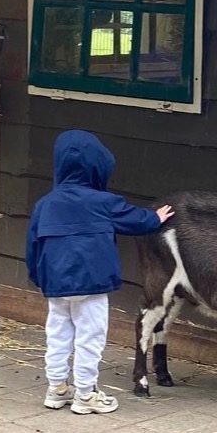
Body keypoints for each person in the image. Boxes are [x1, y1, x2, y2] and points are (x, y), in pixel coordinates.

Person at [25, 129, 174, 415]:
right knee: (89, 337)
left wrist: (38, 277)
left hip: (55, 285)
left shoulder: (45, 205)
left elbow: (33, 245)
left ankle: (56, 388)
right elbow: (135, 221)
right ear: (98, 166)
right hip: (91, 284)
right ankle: (85, 393)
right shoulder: (103, 202)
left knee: (57, 333)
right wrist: (155, 217)